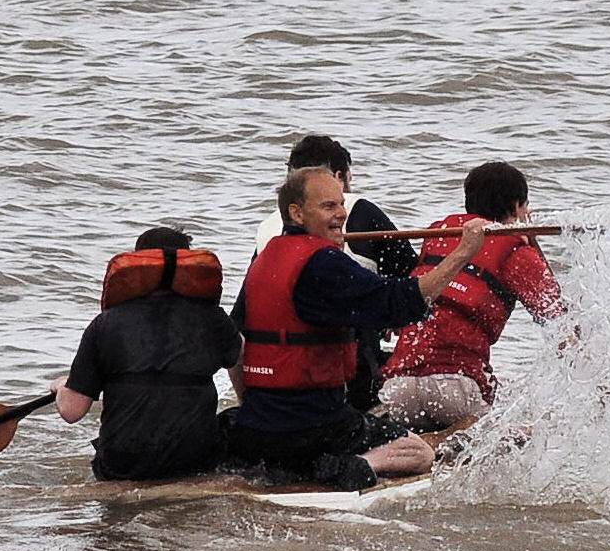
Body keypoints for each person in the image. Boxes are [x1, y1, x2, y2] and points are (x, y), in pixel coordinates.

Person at [226, 167, 485, 489]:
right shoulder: (324, 263)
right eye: (328, 207)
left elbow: (234, 341)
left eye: (340, 204)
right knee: (418, 453)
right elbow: (403, 303)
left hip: (258, 424)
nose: (341, 214)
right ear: (296, 212)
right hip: (314, 424)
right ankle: (354, 464)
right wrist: (463, 252)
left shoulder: (265, 258)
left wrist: (248, 403)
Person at [374, 161, 566, 429]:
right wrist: (532, 240)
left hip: (399, 388)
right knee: (528, 430)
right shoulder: (517, 251)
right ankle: (442, 442)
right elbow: (557, 319)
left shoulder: (438, 235)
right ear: (517, 207)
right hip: (456, 390)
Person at [51, 227, 244, 481]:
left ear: (137, 264)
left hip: (122, 466)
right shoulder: (212, 319)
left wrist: (62, 386)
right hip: (193, 461)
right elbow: (240, 353)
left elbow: (72, 411)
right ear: (187, 265)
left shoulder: (106, 324)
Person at [253, 134, 414, 411]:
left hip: (274, 373)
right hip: (347, 367)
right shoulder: (357, 208)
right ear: (340, 176)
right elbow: (410, 272)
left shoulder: (268, 228)